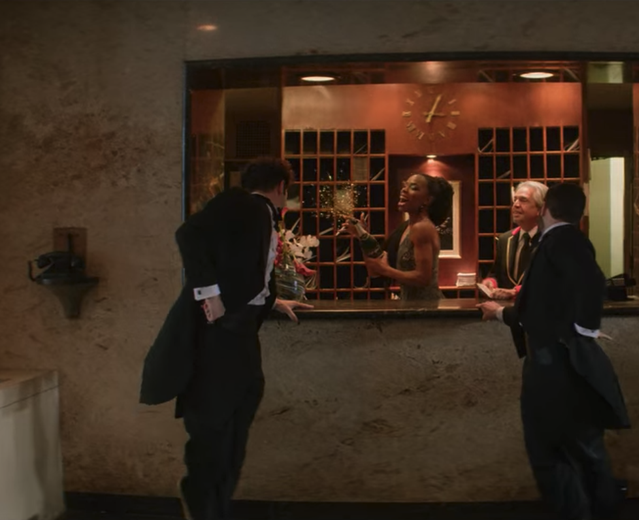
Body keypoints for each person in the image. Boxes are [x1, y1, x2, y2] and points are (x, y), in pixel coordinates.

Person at [139, 158, 312, 520]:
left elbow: (246, 269)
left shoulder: (259, 215)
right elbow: (187, 234)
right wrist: (209, 292)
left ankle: (212, 506)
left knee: (235, 423)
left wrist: (272, 301)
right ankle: (200, 501)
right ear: (281, 187)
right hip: (219, 335)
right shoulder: (243, 203)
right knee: (214, 425)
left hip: (240, 335)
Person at [477, 182, 629, 520]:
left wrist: (583, 330)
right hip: (554, 359)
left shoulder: (562, 240)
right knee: (574, 446)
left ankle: (585, 510)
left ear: (544, 209)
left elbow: (590, 284)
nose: (516, 205)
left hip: (554, 363)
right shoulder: (561, 239)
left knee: (551, 448)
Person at [341, 173, 453, 300]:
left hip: (427, 307)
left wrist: (385, 270)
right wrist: (361, 234)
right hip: (411, 306)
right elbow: (375, 269)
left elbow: (423, 278)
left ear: (427, 200)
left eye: (413, 187)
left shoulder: (422, 228)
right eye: (405, 185)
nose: (404, 190)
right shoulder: (406, 227)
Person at [483, 181, 548, 299]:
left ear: (540, 208)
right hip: (506, 308)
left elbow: (553, 280)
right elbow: (496, 273)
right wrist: (491, 282)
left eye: (523, 200)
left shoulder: (550, 240)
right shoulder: (505, 239)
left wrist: (517, 291)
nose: (516, 205)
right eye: (515, 200)